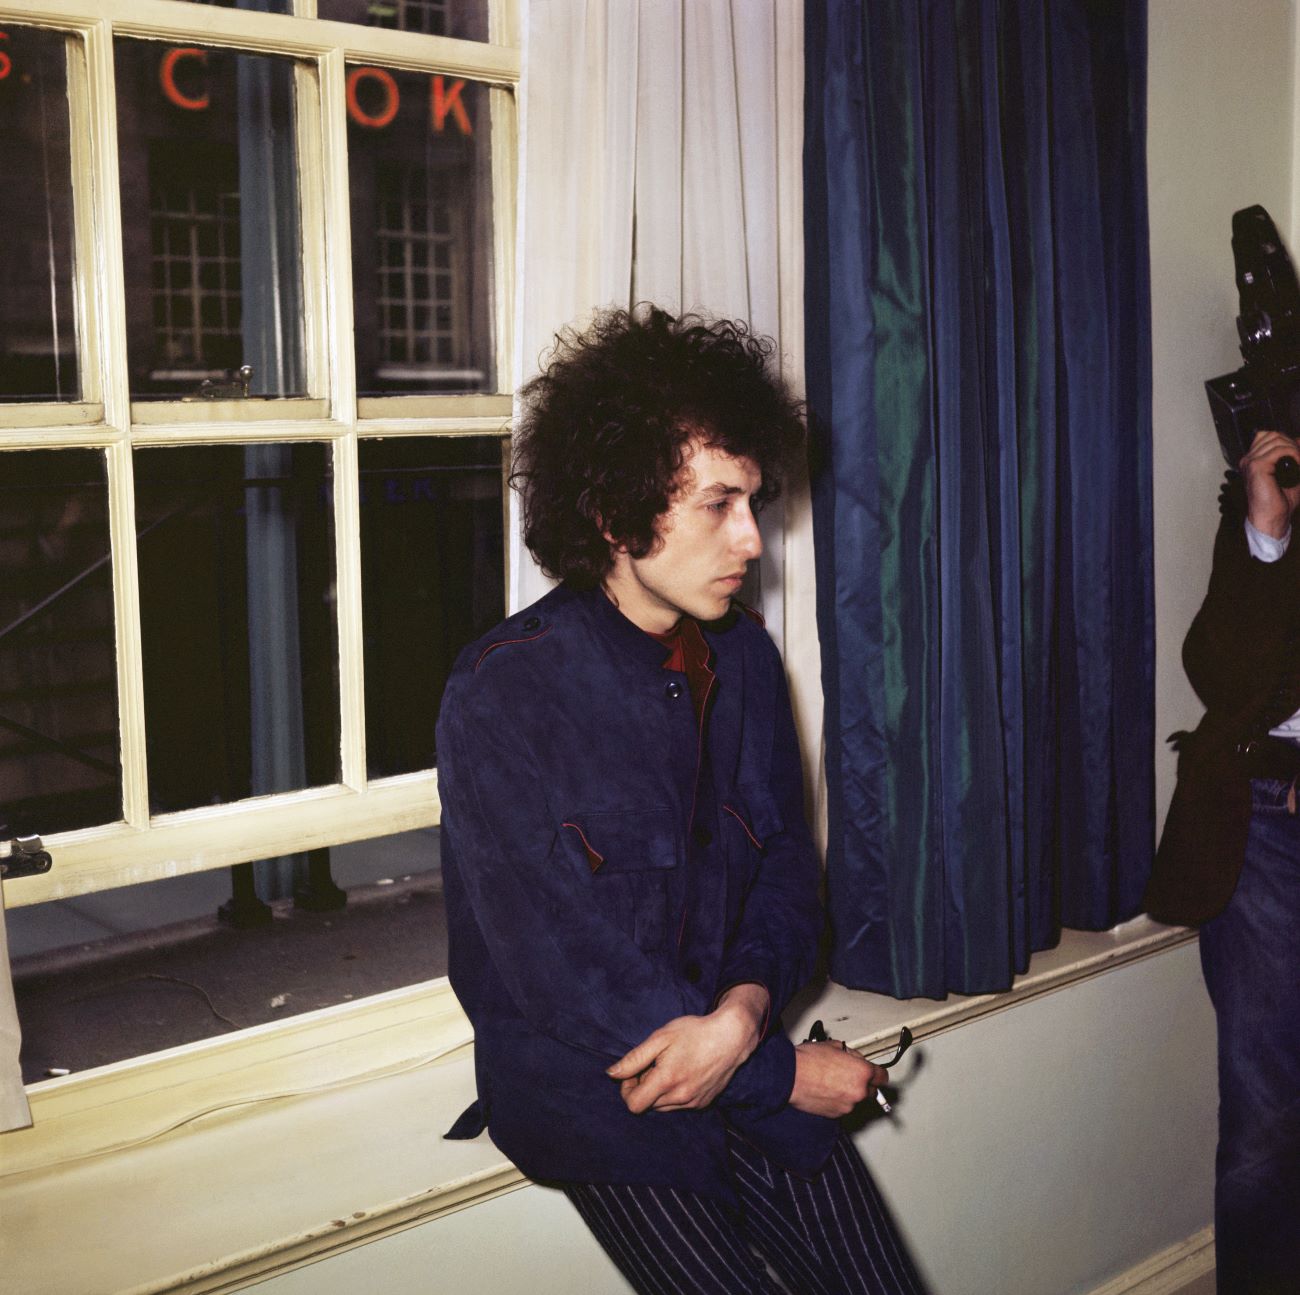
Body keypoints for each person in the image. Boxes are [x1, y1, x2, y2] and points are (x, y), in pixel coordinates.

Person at [437, 307, 925, 1294]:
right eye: (717, 504)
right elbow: (565, 974)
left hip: (730, 1042)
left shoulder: (739, 654)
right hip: (607, 1093)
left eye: (753, 499)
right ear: (617, 514)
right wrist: (783, 1072)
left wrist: (745, 1017)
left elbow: (787, 860)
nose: (751, 536)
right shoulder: (504, 690)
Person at [1145, 429, 1300, 1294]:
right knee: (1267, 1113)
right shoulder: (1264, 497)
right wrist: (1266, 532)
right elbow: (1222, 674)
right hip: (1268, 829)